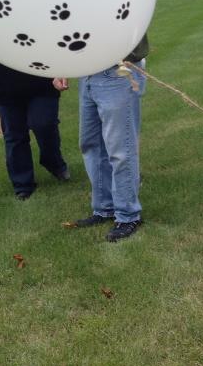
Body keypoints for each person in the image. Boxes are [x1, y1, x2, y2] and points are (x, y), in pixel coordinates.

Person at [53, 33, 148, 243]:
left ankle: (128, 215)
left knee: (121, 148)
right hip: (87, 72)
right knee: (91, 144)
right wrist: (63, 67)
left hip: (118, 71)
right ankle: (105, 208)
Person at [0, 38, 69, 200]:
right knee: (14, 135)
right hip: (4, 87)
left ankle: (54, 163)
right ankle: (23, 184)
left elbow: (53, 36)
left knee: (44, 124)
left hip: (43, 82)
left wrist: (61, 69)